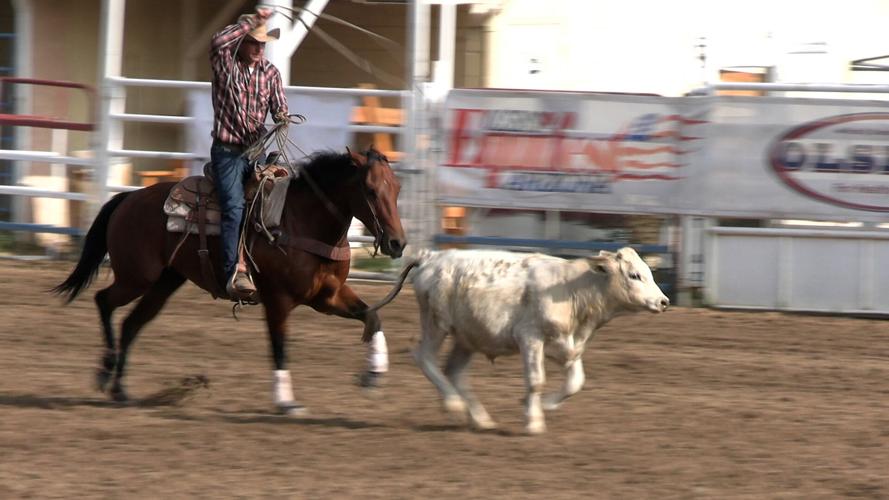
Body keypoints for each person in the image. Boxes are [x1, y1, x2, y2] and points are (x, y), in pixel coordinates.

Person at [209, 6, 288, 299]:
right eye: (253, 42)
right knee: (233, 209)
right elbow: (218, 42)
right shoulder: (226, 65)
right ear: (242, 43)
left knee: (276, 201)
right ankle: (232, 273)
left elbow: (279, 104)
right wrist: (252, 22)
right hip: (227, 153)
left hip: (255, 152)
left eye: (262, 43)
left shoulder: (271, 73)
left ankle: (267, 265)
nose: (258, 48)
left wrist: (282, 116)